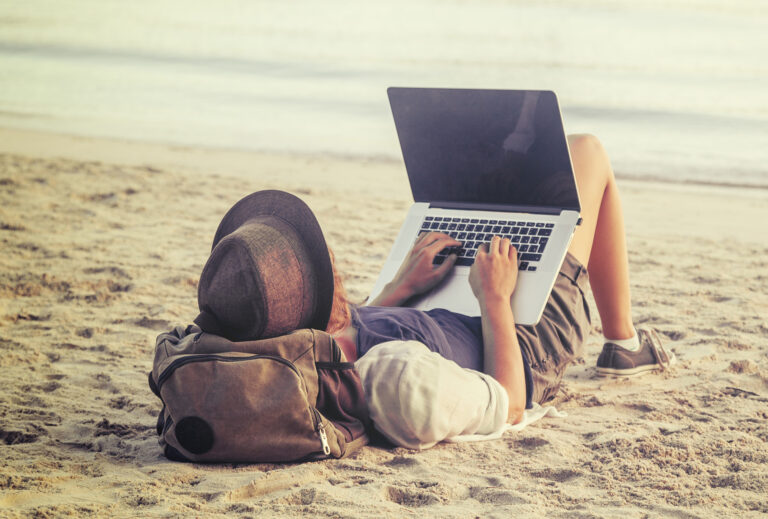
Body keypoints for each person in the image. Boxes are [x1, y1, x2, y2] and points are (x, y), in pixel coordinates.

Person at [325, 134, 674, 426]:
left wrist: (401, 286)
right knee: (588, 153)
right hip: (518, 339)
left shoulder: (321, 344)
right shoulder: (395, 377)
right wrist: (494, 297)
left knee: (521, 173)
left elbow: (356, 333)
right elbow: (509, 404)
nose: (331, 275)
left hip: (446, 304)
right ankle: (623, 343)